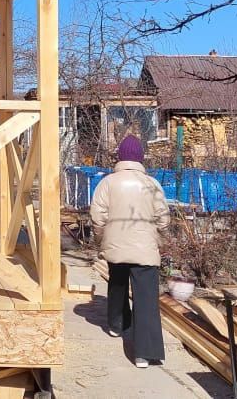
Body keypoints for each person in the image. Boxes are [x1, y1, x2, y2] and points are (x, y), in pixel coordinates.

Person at [90, 135, 169, 368]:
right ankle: (144, 353)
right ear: (140, 158)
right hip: (145, 248)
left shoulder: (107, 183)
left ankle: (117, 325)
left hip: (116, 244)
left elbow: (97, 217)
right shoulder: (152, 184)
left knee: (117, 284)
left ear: (120, 157)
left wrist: (101, 240)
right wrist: (160, 240)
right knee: (146, 299)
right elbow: (163, 218)